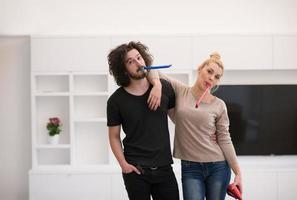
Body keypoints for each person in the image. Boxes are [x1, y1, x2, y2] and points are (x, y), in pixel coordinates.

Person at [148, 52, 243, 200]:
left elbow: (225, 139)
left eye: (217, 77)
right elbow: (152, 70)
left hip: (218, 166)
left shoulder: (219, 105)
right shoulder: (181, 90)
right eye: (209, 71)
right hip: (191, 168)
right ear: (200, 69)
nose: (211, 77)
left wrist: (238, 173)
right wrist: (157, 84)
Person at [106, 41, 179, 200]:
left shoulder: (164, 88)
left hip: (164, 168)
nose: (138, 63)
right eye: (130, 61)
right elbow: (114, 136)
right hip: (135, 170)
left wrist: (207, 133)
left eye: (139, 57)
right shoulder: (115, 101)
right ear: (123, 69)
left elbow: (180, 120)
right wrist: (123, 165)